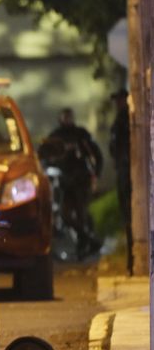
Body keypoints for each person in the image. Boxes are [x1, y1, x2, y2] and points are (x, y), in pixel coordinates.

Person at [40, 107, 104, 260]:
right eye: (64, 117)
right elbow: (43, 154)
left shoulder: (80, 134)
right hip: (65, 182)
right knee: (66, 214)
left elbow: (96, 153)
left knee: (81, 213)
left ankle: (84, 245)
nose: (67, 120)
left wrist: (96, 173)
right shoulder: (55, 136)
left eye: (69, 117)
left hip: (81, 181)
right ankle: (89, 240)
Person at [108, 89, 132, 274]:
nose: (118, 104)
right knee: (127, 218)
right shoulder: (118, 120)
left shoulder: (128, 119)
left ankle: (132, 260)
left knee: (130, 217)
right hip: (123, 171)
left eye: (120, 100)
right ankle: (130, 261)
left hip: (129, 171)